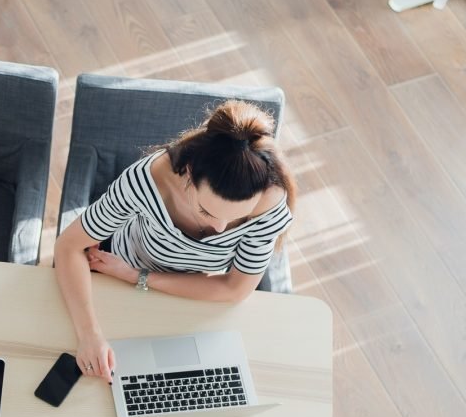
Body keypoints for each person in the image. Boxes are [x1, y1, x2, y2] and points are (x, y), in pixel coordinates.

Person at [54, 99, 296, 381]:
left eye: (236, 218)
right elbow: (68, 245)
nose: (220, 229)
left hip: (186, 294)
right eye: (207, 211)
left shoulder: (269, 202)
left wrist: (139, 277)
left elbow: (235, 289)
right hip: (115, 274)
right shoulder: (145, 182)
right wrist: (89, 335)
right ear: (189, 174)